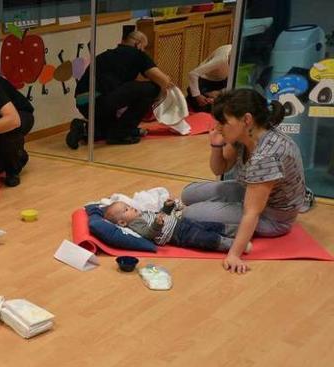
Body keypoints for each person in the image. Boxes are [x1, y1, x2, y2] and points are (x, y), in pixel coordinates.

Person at [181, 89, 307, 274]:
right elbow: (219, 169)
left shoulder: (266, 155)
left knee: (190, 214)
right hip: (252, 191)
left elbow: (252, 212)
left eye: (224, 122)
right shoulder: (245, 135)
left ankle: (230, 230)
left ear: (247, 119)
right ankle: (224, 210)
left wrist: (234, 254)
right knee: (188, 193)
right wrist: (216, 145)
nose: (218, 127)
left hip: (273, 217)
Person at [68, 30, 175, 147]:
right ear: (138, 44)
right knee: (152, 88)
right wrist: (170, 92)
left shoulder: (106, 55)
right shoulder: (138, 54)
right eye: (143, 47)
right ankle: (121, 134)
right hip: (100, 100)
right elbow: (162, 80)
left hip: (83, 103)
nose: (143, 50)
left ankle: (83, 128)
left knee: (108, 129)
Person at [104, 199, 251, 253]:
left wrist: (167, 207)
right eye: (126, 209)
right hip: (179, 235)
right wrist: (156, 225)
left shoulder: (143, 214)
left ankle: (241, 231)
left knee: (211, 226)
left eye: (128, 205)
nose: (131, 207)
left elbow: (162, 215)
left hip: (181, 223)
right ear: (122, 222)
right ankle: (237, 245)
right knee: (208, 238)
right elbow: (148, 234)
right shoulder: (135, 224)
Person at [187, 44, 231, 112]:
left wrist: (219, 93)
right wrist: (197, 96)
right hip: (204, 80)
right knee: (206, 107)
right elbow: (193, 74)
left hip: (220, 80)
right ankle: (194, 95)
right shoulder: (221, 60)